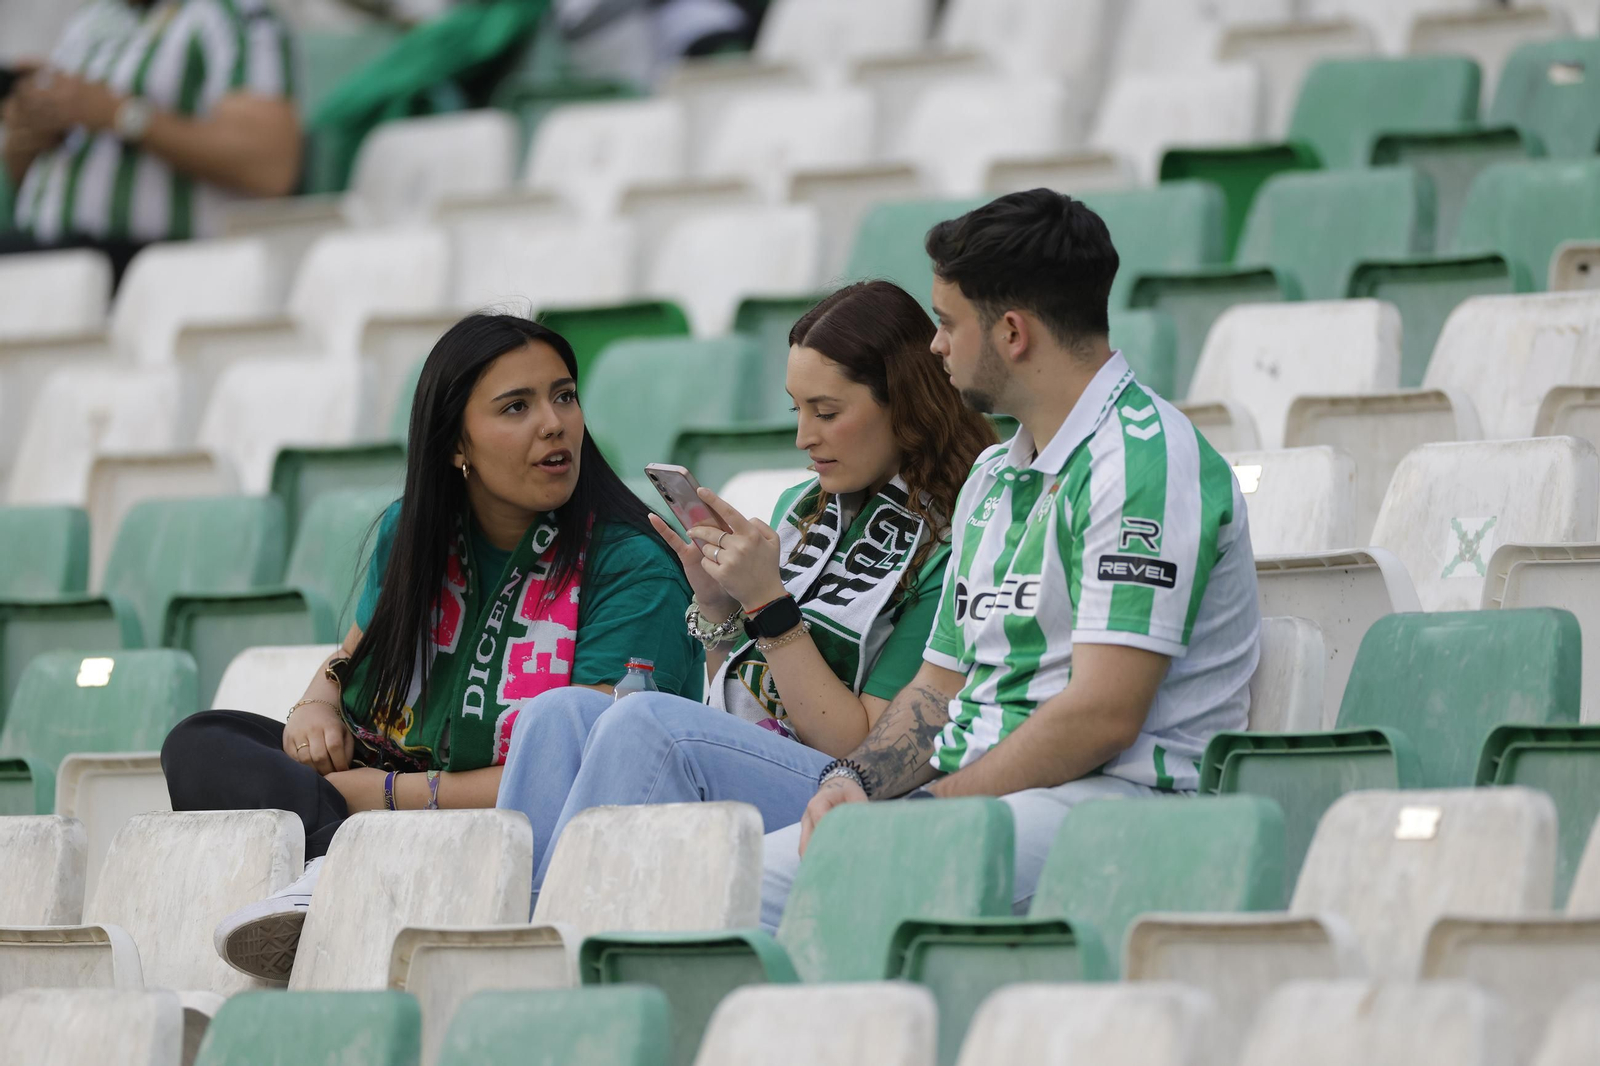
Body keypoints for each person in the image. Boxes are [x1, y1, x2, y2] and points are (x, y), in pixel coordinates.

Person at [761, 189, 1262, 928]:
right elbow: (936, 694)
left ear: (1013, 332)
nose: (934, 347)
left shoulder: (1140, 460)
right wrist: (856, 782)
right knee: (721, 885)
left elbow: (1102, 717)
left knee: (831, 895)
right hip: (998, 801)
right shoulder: (994, 475)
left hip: (1127, 809)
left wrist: (928, 809)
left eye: (947, 323)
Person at [161, 313, 701, 980]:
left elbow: (583, 768)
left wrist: (381, 798)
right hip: (377, 779)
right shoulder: (415, 530)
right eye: (517, 406)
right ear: (456, 445)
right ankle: (336, 861)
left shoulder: (632, 566)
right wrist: (315, 706)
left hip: (509, 825)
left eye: (564, 395)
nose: (554, 423)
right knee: (203, 739)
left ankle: (335, 870)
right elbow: (348, 661)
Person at [494, 279, 997, 895]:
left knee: (647, 724)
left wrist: (768, 604)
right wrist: (719, 603)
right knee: (557, 713)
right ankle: (517, 933)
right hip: (768, 754)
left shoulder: (957, 535)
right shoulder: (803, 506)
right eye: (797, 409)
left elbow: (860, 743)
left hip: (854, 789)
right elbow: (742, 685)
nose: (804, 437)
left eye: (828, 412)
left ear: (905, 404)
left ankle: (559, 936)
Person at [2, 0, 301, 285]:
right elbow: (24, 178)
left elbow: (270, 168)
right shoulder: (92, 19)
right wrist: (31, 133)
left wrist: (121, 114)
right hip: (47, 250)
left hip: (155, 263)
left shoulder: (234, 17)